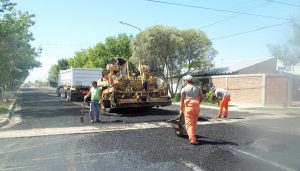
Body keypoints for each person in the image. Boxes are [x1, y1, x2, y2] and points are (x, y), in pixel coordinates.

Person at [180, 75, 204, 145]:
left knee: (189, 124)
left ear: (186, 81)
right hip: (196, 107)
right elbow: (202, 97)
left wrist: (181, 110)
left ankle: (192, 139)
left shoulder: (184, 89)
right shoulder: (198, 88)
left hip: (189, 108)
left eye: (184, 80)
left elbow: (182, 102)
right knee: (194, 123)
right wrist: (197, 103)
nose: (184, 82)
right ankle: (193, 135)